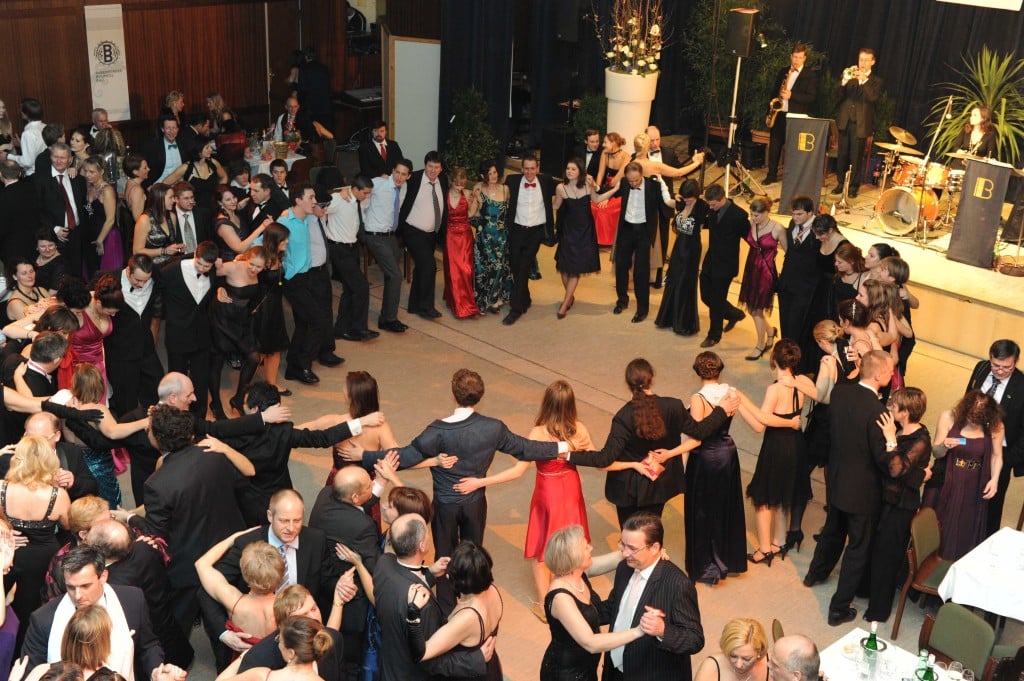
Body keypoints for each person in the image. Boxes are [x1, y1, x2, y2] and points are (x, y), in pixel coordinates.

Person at [342, 368, 566, 609]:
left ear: (453, 395)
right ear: (480, 395)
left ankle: (447, 607)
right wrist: (561, 448)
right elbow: (526, 448)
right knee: (472, 554)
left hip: (445, 507)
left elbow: (404, 457)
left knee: (444, 557)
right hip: (475, 503)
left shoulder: (437, 431)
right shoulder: (494, 428)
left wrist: (365, 455)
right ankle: (474, 603)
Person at [567, 358, 737, 526]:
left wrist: (568, 455)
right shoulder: (673, 406)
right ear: (652, 379)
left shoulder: (623, 417)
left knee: (630, 534)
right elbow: (700, 431)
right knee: (652, 533)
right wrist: (721, 411)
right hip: (659, 485)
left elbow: (604, 458)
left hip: (628, 491)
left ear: (628, 384)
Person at [803, 350, 893, 626]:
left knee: (832, 531)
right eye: (890, 370)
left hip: (838, 481)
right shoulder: (878, 412)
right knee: (857, 549)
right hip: (863, 493)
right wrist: (891, 440)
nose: (892, 374)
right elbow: (884, 460)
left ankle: (815, 574)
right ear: (879, 374)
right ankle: (839, 608)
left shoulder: (840, 393)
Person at [23, 544, 182, 681]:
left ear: (103, 576)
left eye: (85, 586)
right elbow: (31, 672)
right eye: (70, 587)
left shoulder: (132, 600)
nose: (78, 596)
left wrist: (156, 671)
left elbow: (148, 645)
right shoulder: (43, 619)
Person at [373, 514, 489, 681]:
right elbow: (429, 661)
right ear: (422, 545)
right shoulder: (423, 606)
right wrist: (474, 661)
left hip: (390, 667)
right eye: (426, 531)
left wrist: (430, 574)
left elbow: (400, 582)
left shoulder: (383, 563)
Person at [599, 512, 704, 681]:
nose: (625, 553)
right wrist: (578, 611)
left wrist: (663, 630)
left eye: (632, 548)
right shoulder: (624, 568)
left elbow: (694, 639)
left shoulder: (678, 584)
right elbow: (614, 607)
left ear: (655, 548)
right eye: (622, 544)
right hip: (615, 670)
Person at [675, 353, 749, 584]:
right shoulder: (732, 392)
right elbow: (757, 423)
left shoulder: (698, 398)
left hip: (705, 458)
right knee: (726, 507)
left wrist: (679, 465)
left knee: (702, 511)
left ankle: (707, 567)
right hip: (728, 454)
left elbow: (697, 436)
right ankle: (729, 560)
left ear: (698, 371)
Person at [539, 525, 646, 681]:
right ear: (573, 557)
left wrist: (650, 553)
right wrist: (638, 631)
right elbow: (591, 643)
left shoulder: (578, 572)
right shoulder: (561, 599)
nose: (591, 548)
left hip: (587, 667)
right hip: (566, 674)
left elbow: (618, 557)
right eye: (585, 547)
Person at [742, 340, 814, 566]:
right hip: (797, 445)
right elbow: (819, 395)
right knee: (784, 493)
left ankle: (764, 549)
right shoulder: (802, 382)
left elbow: (759, 424)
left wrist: (742, 402)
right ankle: (780, 541)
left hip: (776, 446)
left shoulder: (774, 390)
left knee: (763, 498)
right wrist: (792, 422)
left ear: (774, 359)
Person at [865, 387, 931, 622]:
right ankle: (867, 592)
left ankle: (879, 610)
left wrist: (891, 439)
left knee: (887, 556)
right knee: (874, 549)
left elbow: (895, 469)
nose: (889, 408)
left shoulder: (920, 440)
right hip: (884, 500)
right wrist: (918, 474)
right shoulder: (900, 430)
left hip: (901, 506)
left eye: (893, 406)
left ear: (905, 412)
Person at [2, 434, 71, 650]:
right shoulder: (57, 495)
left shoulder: (2, 488)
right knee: (36, 610)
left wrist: (6, 531)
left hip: (11, 555)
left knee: (8, 607)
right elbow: (68, 525)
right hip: (44, 559)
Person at [406, 542, 503, 681]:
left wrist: (413, 614)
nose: (447, 576)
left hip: (468, 675)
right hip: (490, 669)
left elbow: (421, 654)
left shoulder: (467, 617)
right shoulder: (493, 590)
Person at [279, 183, 343, 385]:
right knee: (317, 321)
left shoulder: (306, 219)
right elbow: (264, 243)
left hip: (308, 277)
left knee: (304, 324)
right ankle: (303, 365)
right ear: (298, 200)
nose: (315, 202)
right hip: (293, 280)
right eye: (311, 198)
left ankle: (293, 367)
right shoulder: (285, 222)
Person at [592, 162, 669, 324]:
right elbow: (604, 192)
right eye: (630, 180)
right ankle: (622, 300)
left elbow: (667, 204)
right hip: (626, 229)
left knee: (641, 271)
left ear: (642, 175)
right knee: (621, 266)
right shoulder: (624, 183)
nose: (633, 183)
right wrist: (595, 185)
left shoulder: (653, 186)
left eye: (636, 180)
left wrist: (669, 191)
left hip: (644, 232)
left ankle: (642, 309)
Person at [931, 390, 1003, 560]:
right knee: (944, 521)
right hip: (950, 478)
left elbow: (996, 455)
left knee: (967, 526)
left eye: (979, 420)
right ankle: (936, 563)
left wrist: (994, 479)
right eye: (971, 417)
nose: (973, 422)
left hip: (975, 483)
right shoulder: (949, 416)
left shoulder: (996, 426)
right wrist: (944, 445)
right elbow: (936, 452)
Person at [963, 339, 1024, 535]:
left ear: (1015, 362)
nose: (1000, 371)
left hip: (1001, 453)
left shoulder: (1021, 385)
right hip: (971, 443)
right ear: (990, 358)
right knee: (964, 495)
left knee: (991, 506)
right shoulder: (981, 368)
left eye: (1006, 367)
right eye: (996, 365)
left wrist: (1008, 460)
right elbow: (967, 400)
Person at [196, 531, 286, 650]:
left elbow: (201, 564)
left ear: (245, 574)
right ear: (281, 575)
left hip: (243, 658)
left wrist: (233, 538)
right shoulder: (288, 607)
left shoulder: (234, 601)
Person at [317, 172, 377, 341]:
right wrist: (338, 192)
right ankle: (359, 328)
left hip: (352, 247)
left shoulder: (359, 200)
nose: (367, 196)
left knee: (350, 289)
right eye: (365, 193)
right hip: (339, 248)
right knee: (361, 287)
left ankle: (342, 329)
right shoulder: (339, 199)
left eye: (369, 193)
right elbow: (319, 207)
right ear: (355, 189)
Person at [208, 246, 267, 417]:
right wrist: (219, 288)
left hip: (241, 318)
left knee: (254, 357)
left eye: (259, 267)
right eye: (252, 264)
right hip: (222, 317)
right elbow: (209, 274)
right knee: (217, 360)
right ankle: (216, 403)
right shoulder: (233, 266)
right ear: (246, 258)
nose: (254, 269)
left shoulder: (260, 273)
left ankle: (239, 398)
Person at [503, 154, 555, 326]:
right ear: (521, 168)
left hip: (536, 232)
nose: (529, 172)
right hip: (517, 230)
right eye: (526, 168)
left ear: (538, 168)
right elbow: (497, 191)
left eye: (533, 168)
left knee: (524, 266)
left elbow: (566, 186)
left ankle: (516, 309)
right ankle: (525, 298)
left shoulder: (546, 181)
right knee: (515, 267)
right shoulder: (512, 181)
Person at [363, 160, 412, 333]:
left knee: (392, 277)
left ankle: (385, 317)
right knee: (395, 275)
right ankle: (390, 319)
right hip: (374, 235)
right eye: (397, 172)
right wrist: (347, 193)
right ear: (392, 171)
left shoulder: (403, 188)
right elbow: (358, 190)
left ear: (408, 176)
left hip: (390, 236)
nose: (399, 177)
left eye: (403, 174)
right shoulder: (378, 183)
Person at [698, 184, 750, 348]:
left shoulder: (739, 215)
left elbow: (750, 237)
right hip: (710, 260)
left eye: (713, 204)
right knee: (706, 296)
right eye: (709, 204)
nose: (710, 208)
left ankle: (714, 335)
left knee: (716, 300)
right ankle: (734, 314)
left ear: (722, 199)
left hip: (726, 265)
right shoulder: (712, 209)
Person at [654, 179, 707, 336]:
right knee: (672, 281)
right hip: (678, 249)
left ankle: (682, 322)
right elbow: (666, 200)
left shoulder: (702, 207)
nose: (686, 200)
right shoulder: (681, 202)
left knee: (685, 284)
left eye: (689, 197)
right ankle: (668, 318)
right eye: (684, 197)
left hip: (691, 251)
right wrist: (662, 182)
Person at [399, 151, 448, 319]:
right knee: (429, 266)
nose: (432, 170)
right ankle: (426, 307)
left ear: (441, 168)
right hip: (413, 231)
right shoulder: (414, 178)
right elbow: (397, 184)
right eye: (429, 166)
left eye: (436, 167)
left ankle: (414, 305)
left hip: (431, 234)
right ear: (425, 165)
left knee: (421, 267)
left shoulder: (443, 180)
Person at [216, 615, 335, 681]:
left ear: (291, 653)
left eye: (280, 641)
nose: (277, 643)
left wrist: (243, 656)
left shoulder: (262, 676)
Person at [765, 44, 820, 185]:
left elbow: (811, 97)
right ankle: (771, 175)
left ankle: (791, 178)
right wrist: (769, 113)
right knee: (775, 146)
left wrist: (792, 95)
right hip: (779, 114)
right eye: (795, 57)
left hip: (796, 117)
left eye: (800, 57)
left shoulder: (810, 75)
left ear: (805, 58)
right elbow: (773, 93)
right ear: (791, 56)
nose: (796, 60)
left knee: (793, 149)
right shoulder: (783, 71)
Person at [552, 158, 600, 319]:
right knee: (564, 267)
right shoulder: (560, 187)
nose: (569, 171)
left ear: (580, 171)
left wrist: (615, 189)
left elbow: (597, 199)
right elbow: (556, 206)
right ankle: (570, 296)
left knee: (575, 269)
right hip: (567, 231)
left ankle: (565, 304)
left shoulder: (587, 185)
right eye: (568, 168)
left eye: (573, 169)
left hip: (585, 231)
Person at [738, 197, 785, 360]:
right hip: (751, 269)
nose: (753, 218)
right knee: (753, 309)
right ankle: (770, 332)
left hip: (765, 273)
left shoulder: (778, 228)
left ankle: (760, 345)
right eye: (752, 214)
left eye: (756, 215)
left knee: (756, 310)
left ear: (767, 212)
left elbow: (789, 252)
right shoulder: (753, 224)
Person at [832, 49, 883, 198]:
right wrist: (844, 81)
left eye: (866, 60)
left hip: (860, 124)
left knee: (856, 157)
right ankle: (840, 183)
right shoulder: (850, 76)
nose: (863, 63)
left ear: (873, 62)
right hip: (845, 121)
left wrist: (864, 80)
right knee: (842, 154)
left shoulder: (876, 81)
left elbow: (873, 97)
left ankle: (853, 187)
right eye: (861, 59)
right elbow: (837, 95)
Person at [776, 196, 819, 345]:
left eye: (799, 214)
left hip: (805, 286)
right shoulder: (792, 223)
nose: (795, 218)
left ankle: (793, 354)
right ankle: (785, 352)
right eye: (793, 214)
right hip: (786, 282)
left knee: (796, 325)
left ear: (810, 212)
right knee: (785, 322)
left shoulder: (819, 227)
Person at [472, 161, 512, 315]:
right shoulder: (479, 189)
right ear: (483, 176)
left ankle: (495, 298)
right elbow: (473, 214)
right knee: (484, 268)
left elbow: (508, 213)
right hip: (484, 237)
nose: (493, 176)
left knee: (499, 267)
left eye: (495, 172)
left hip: (501, 236)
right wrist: (477, 200)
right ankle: (487, 299)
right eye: (489, 173)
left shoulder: (505, 189)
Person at [253, 223, 290, 390]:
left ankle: (271, 385)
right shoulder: (262, 258)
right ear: (274, 240)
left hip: (275, 308)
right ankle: (245, 387)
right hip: (263, 310)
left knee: (274, 350)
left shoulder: (278, 256)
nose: (287, 242)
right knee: (260, 351)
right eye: (283, 239)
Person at [441, 167, 481, 319]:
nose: (459, 188)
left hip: (465, 236)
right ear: (451, 181)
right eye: (457, 184)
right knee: (453, 271)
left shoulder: (468, 194)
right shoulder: (444, 195)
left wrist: (475, 201)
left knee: (466, 270)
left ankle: (468, 303)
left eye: (462, 184)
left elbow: (470, 214)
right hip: (450, 236)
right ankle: (458, 306)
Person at [163, 138, 227, 222]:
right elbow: (164, 184)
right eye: (207, 148)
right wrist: (177, 198)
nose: (210, 149)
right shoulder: (186, 168)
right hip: (195, 212)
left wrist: (220, 193)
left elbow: (224, 177)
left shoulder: (213, 163)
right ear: (199, 151)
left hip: (214, 210)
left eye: (210, 147)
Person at [79, 156, 122, 278]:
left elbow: (110, 219)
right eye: (86, 171)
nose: (87, 175)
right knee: (92, 274)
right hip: (90, 237)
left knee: (105, 277)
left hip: (106, 237)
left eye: (92, 172)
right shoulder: (89, 187)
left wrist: (100, 240)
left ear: (101, 171)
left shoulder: (107, 190)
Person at [693, 619, 770, 681]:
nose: (738, 665)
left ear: (760, 652)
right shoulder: (711, 667)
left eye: (747, 659)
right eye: (733, 656)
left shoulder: (771, 664)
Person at [590, 133, 629, 247]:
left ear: (613, 143)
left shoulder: (626, 157)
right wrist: (596, 192)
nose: (603, 145)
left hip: (618, 191)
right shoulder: (605, 153)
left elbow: (615, 182)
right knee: (592, 204)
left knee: (603, 209)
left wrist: (605, 197)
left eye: (605, 142)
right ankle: (592, 237)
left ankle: (605, 241)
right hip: (605, 187)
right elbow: (600, 174)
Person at [132, 183, 184, 267]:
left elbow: (171, 244)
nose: (174, 200)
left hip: (170, 265)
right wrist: (163, 251)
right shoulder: (145, 220)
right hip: (151, 267)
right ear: (160, 198)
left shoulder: (172, 216)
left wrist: (178, 249)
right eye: (170, 197)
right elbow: (137, 251)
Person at [214, 184, 268, 260]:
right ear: (220, 202)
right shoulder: (223, 224)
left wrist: (248, 199)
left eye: (234, 197)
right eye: (228, 200)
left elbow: (239, 205)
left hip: (247, 258)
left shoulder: (236, 213)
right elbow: (240, 248)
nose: (233, 201)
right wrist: (263, 226)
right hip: (232, 263)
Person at [122, 154, 150, 222]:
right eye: (145, 168)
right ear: (135, 172)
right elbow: (138, 219)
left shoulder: (129, 182)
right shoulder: (137, 190)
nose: (149, 169)